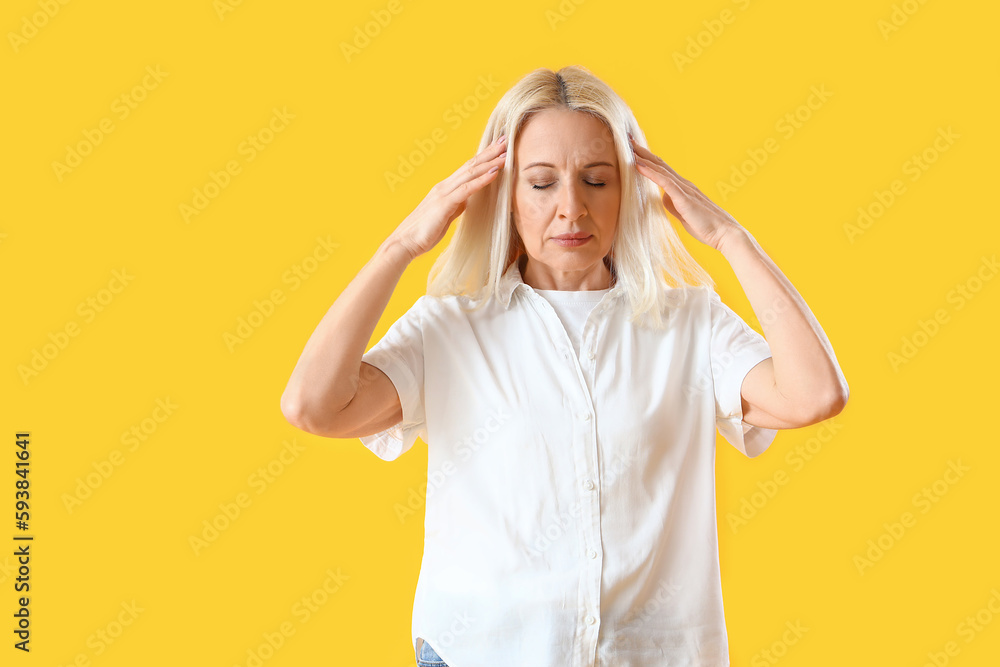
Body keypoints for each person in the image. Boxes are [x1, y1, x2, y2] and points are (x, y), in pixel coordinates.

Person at [280, 65, 848, 667]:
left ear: (628, 189)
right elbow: (312, 406)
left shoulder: (691, 325)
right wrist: (401, 247)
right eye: (542, 183)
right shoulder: (449, 328)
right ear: (504, 194)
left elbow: (815, 395)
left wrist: (731, 238)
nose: (571, 209)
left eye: (596, 180)